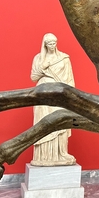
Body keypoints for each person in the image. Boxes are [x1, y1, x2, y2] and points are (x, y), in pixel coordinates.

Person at [30, 33, 76, 166]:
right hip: (43, 93)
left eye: (54, 43)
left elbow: (70, 78)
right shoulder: (38, 58)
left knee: (61, 120)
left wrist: (72, 95)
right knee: (43, 121)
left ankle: (61, 154)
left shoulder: (64, 58)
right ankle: (43, 156)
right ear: (45, 44)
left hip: (60, 92)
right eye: (49, 43)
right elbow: (33, 77)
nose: (52, 46)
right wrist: (43, 67)